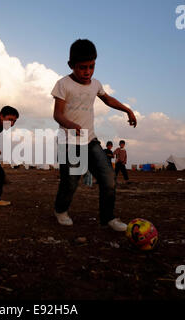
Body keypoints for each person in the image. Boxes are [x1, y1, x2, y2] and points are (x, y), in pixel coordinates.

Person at [51, 39, 137, 231]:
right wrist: (70, 124)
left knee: (108, 178)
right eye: (82, 67)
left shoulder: (95, 84)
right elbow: (57, 114)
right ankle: (60, 210)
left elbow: (107, 99)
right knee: (71, 181)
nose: (87, 71)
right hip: (69, 142)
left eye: (91, 66)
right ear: (71, 65)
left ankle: (108, 218)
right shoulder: (63, 85)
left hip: (90, 140)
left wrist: (127, 110)